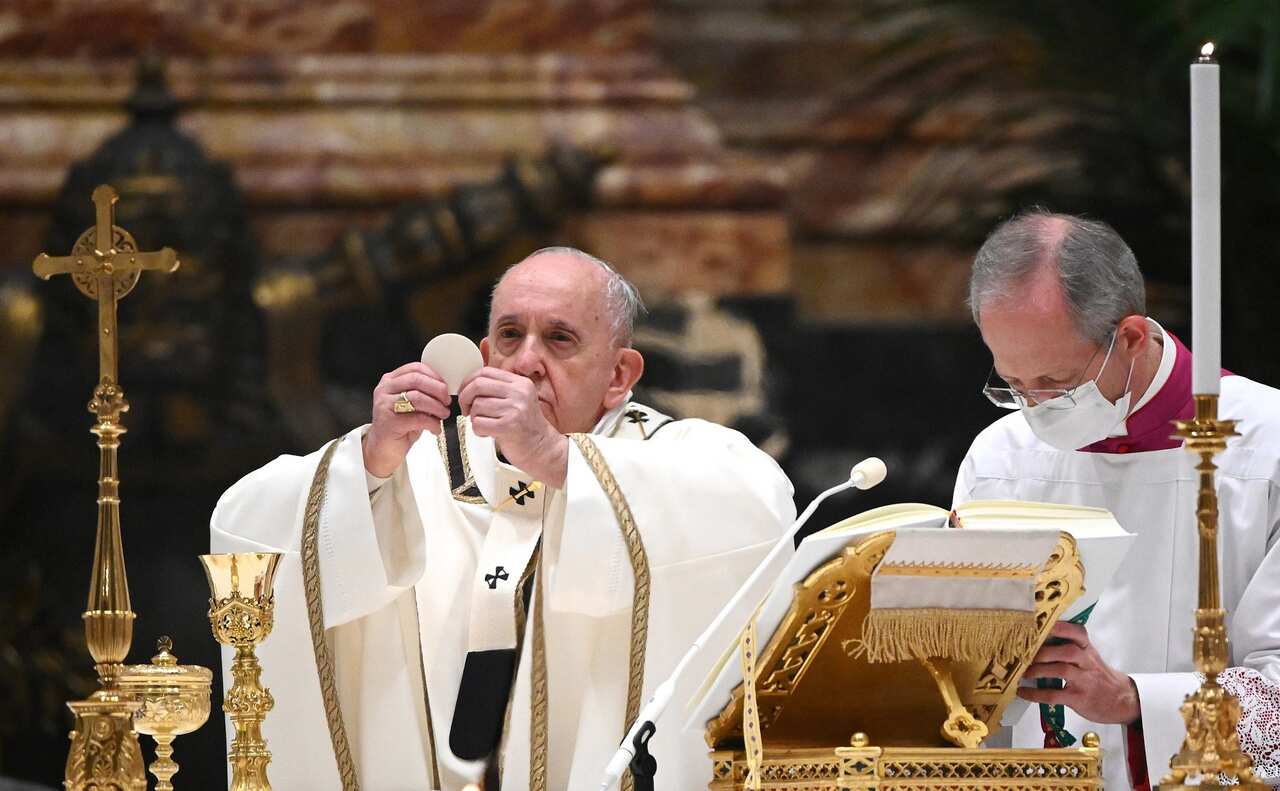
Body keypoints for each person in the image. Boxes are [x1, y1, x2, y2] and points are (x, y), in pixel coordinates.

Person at [210, 247, 796, 790]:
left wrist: (555, 458)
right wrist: (366, 463)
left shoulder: (671, 458)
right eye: (510, 336)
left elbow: (760, 510)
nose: (528, 362)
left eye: (560, 339)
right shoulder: (413, 462)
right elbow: (245, 524)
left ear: (619, 375)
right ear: (482, 357)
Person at [954, 210, 1280, 789]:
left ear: (1129, 338)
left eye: (1054, 383)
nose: (1034, 407)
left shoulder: (1267, 446)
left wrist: (1133, 700)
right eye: (1013, 384)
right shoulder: (998, 458)